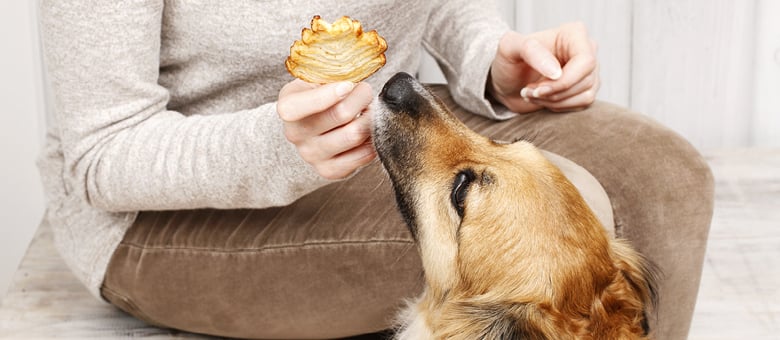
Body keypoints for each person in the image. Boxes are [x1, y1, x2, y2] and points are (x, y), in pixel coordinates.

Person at [38, 1, 713, 339]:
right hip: (160, 214)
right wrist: (276, 146)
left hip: (375, 117)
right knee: (513, 265)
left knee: (665, 179)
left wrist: (488, 55)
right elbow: (102, 150)